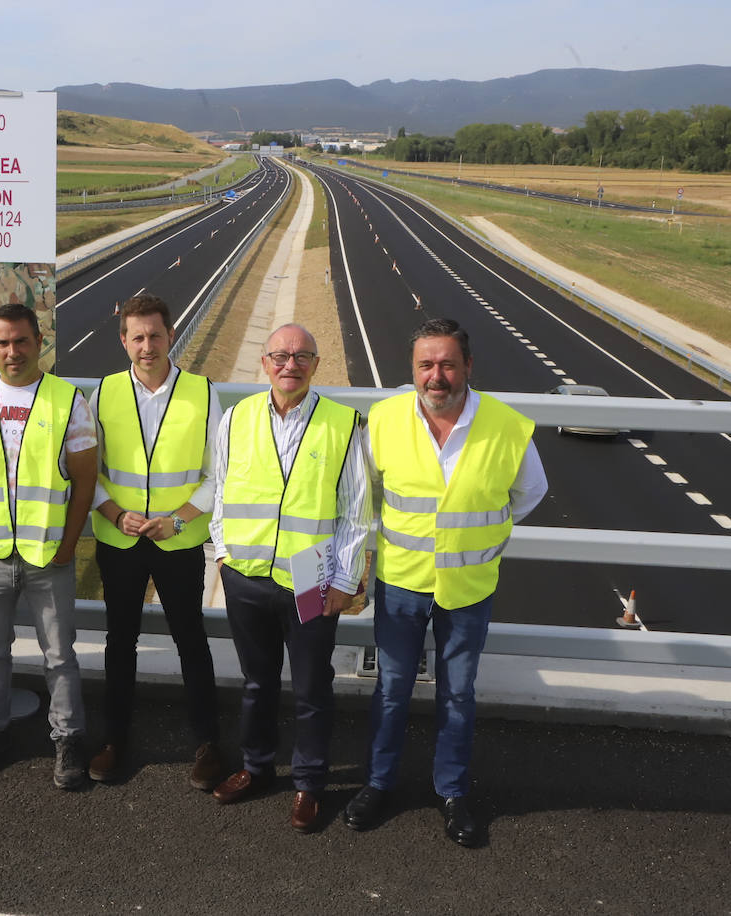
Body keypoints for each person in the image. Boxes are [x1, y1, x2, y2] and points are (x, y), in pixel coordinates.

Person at [344, 318, 547, 847]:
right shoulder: (383, 420)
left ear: (468, 367)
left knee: (458, 695)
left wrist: (478, 534)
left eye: (447, 364)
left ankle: (452, 793)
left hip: (469, 587)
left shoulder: (507, 426)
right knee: (390, 690)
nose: (437, 376)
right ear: (413, 370)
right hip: (401, 584)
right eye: (426, 365)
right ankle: (378, 783)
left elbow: (529, 493)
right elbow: (362, 495)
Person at [210, 323, 372, 833]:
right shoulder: (235, 419)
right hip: (247, 577)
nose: (290, 364)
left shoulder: (344, 424)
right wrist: (222, 554)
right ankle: (256, 767)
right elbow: (220, 489)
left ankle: (309, 784)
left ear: (316, 365)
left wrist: (345, 582)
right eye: (280, 355)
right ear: (264, 363)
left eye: (302, 356)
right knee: (256, 683)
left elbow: (356, 512)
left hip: (311, 580)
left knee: (310, 688)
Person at [0, 303, 97, 790]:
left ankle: (68, 739)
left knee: (60, 656)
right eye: (3, 343)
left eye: (22, 341)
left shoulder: (67, 399)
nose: (13, 352)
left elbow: (85, 479)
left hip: (48, 554)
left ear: (39, 343)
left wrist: (69, 546)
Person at [86, 294, 224, 789]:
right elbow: (89, 472)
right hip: (120, 540)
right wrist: (114, 512)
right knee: (119, 641)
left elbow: (216, 476)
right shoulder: (101, 394)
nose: (148, 346)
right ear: (124, 341)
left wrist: (179, 522)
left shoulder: (203, 393)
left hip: (178, 541)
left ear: (171, 336)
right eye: (137, 337)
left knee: (191, 638)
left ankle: (207, 743)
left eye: (156, 335)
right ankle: (114, 739)